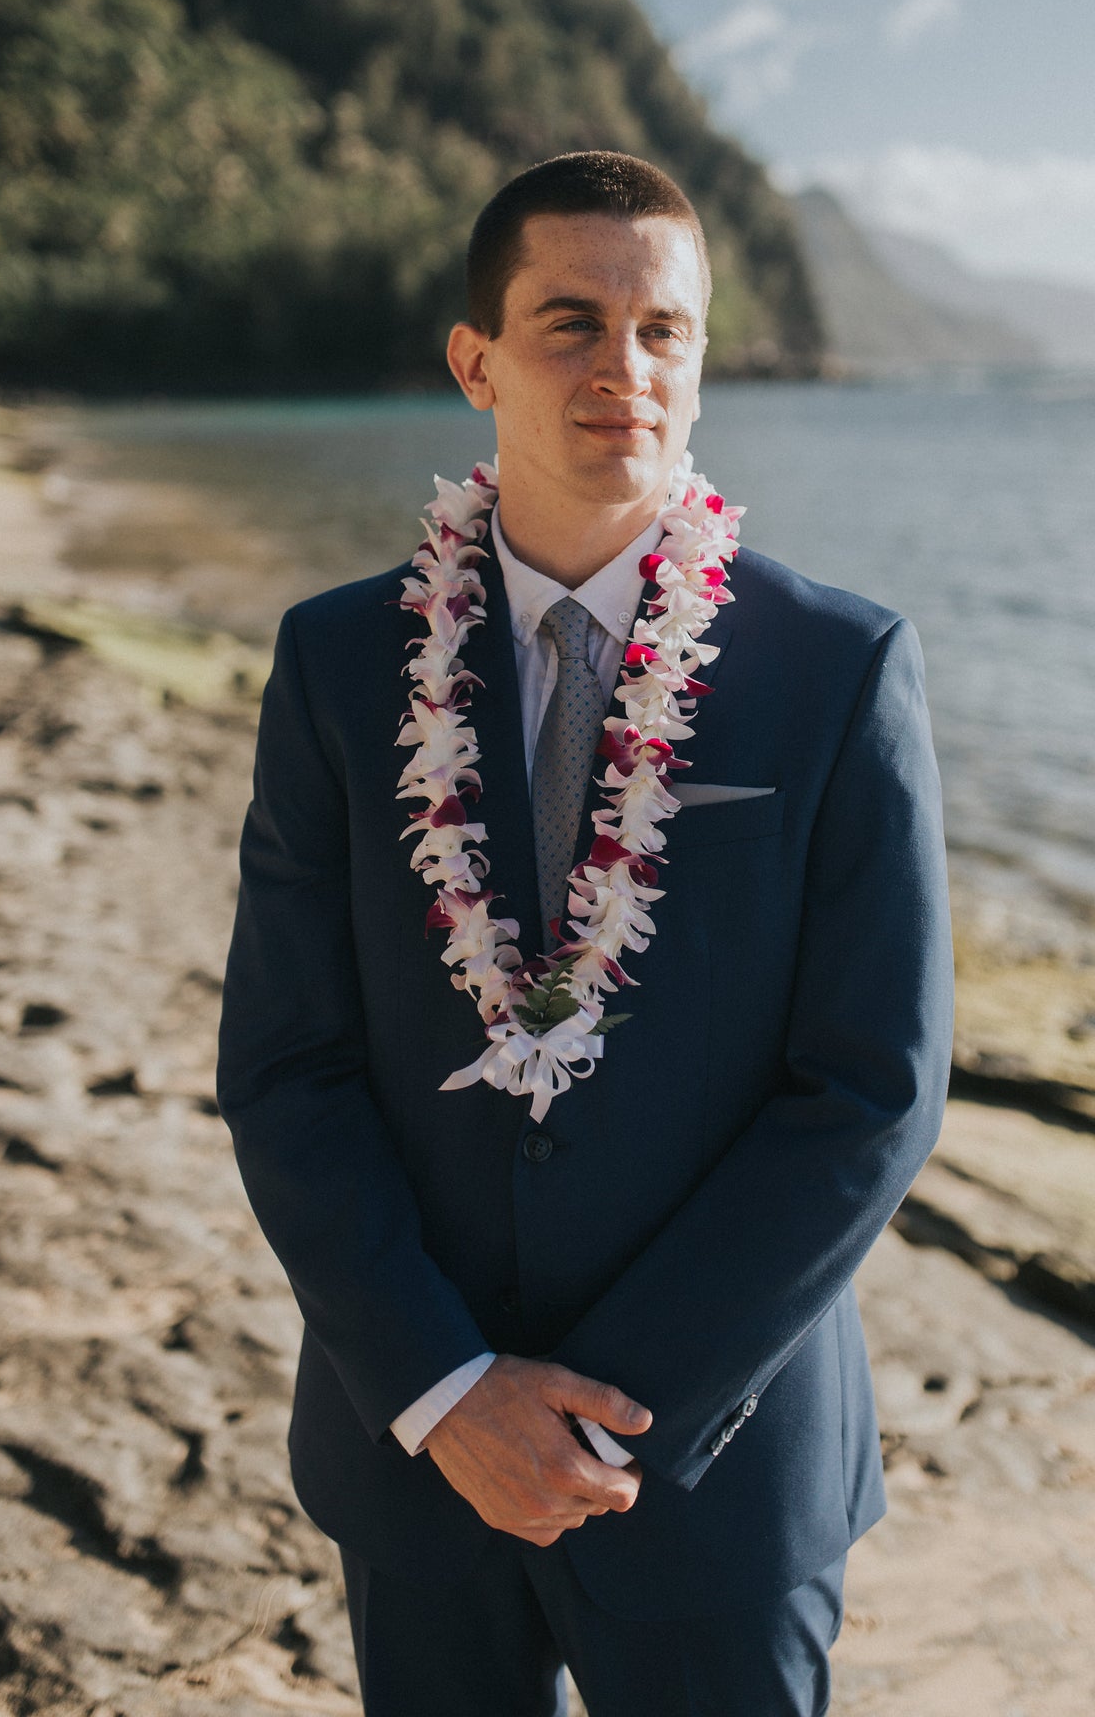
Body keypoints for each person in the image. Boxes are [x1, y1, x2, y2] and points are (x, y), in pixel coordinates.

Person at [216, 150, 953, 1716]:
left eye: (663, 330)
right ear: (475, 361)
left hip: (715, 1470)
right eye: (570, 322)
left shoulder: (837, 669)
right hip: (416, 1454)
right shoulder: (339, 664)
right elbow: (288, 1064)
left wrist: (619, 1415)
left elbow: (870, 1090)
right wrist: (445, 1388)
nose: (624, 369)